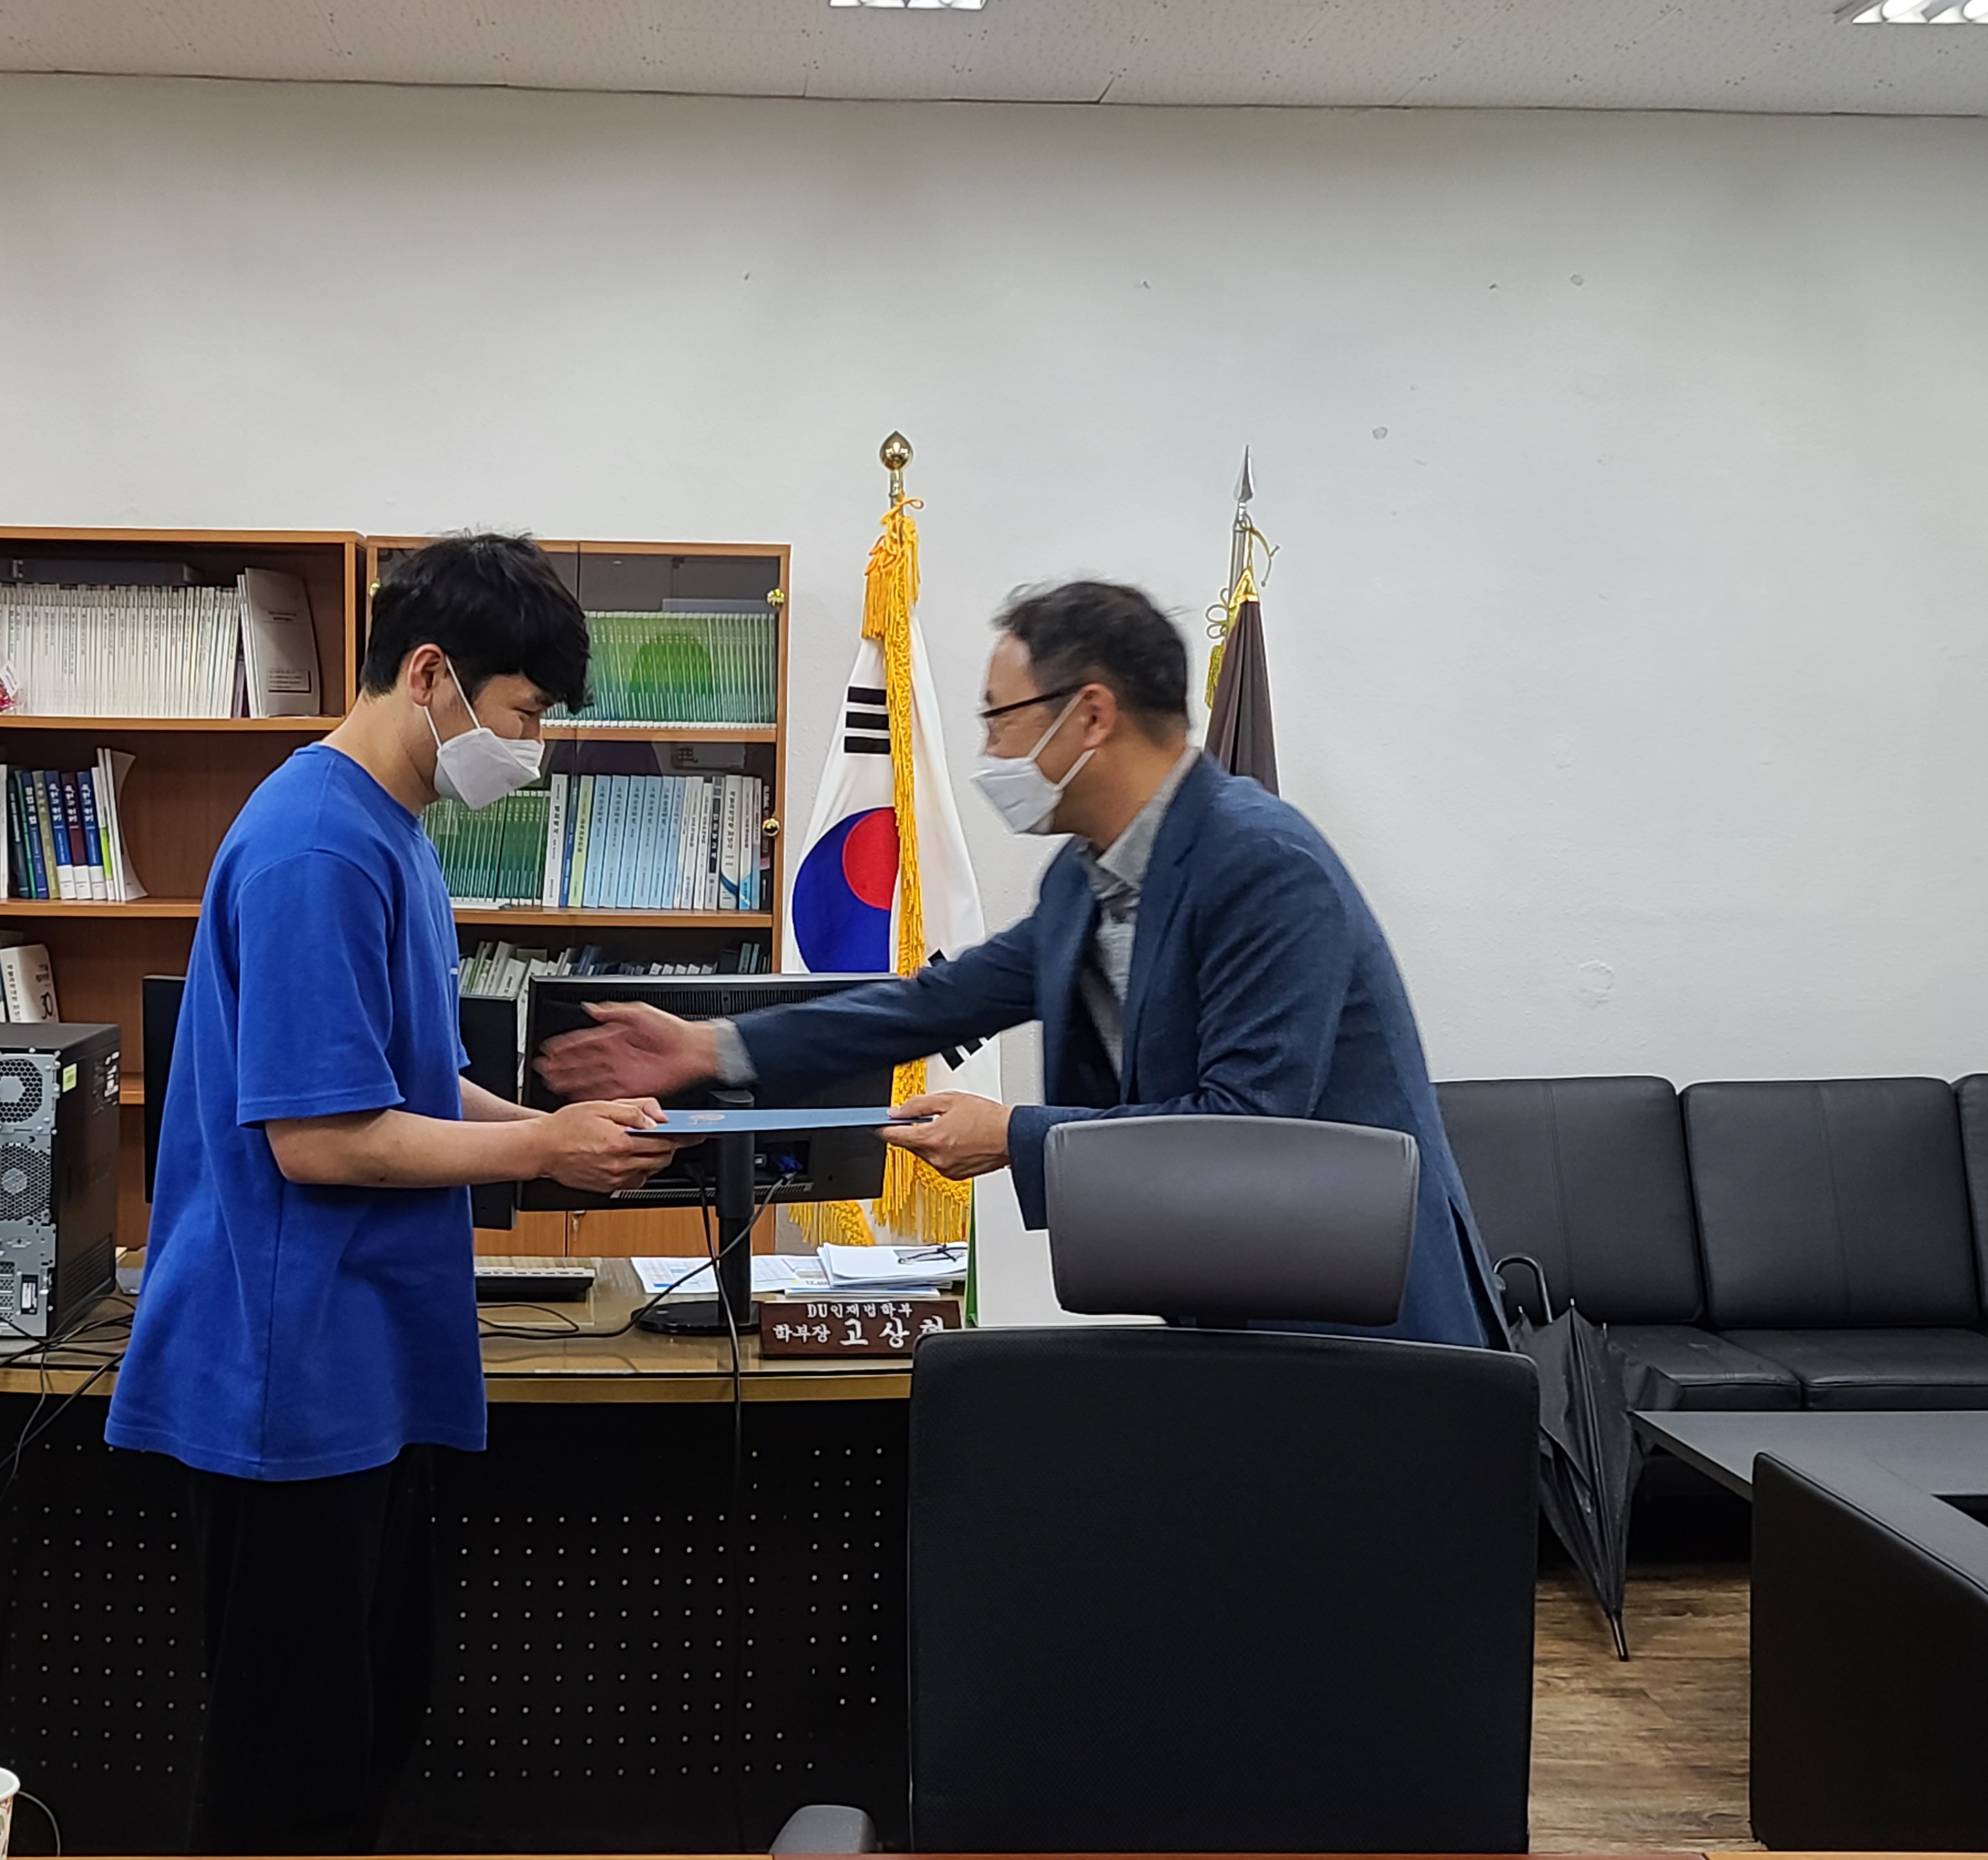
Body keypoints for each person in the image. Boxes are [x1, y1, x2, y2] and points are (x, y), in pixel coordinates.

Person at [106, 534, 677, 1855]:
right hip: (288, 1377)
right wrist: (542, 1154)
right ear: (430, 673)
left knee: (363, 1739)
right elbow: (323, 1140)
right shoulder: (317, 848)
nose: (531, 749)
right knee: (287, 1789)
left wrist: (552, 1128)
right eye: (523, 713)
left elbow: (401, 1081)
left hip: (359, 1365)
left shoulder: (393, 834)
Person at [540, 578, 1504, 1349]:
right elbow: (935, 1002)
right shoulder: (1086, 879)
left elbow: (1249, 1126)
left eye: (1000, 717)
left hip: (1368, 1328)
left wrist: (1015, 1136)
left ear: (1091, 715)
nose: (989, 749)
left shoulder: (1261, 862)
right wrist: (711, 1048)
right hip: (1240, 1298)